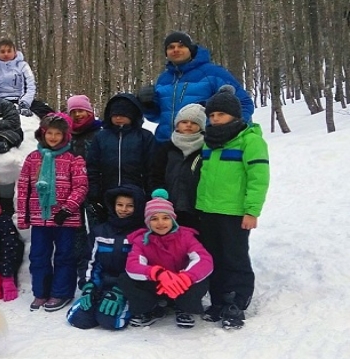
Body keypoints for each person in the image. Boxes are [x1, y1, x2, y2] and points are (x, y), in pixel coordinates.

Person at [197, 85, 270, 329]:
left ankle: (236, 301)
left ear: (235, 116)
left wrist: (252, 211)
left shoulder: (250, 141)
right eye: (212, 115)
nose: (215, 119)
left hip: (234, 212)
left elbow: (258, 178)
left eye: (221, 115)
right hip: (208, 210)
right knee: (213, 256)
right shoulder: (208, 142)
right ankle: (218, 300)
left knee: (234, 257)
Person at [16, 113, 87, 312]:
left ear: (65, 136)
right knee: (39, 256)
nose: (53, 137)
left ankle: (61, 292)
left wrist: (68, 208)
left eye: (58, 133)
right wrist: (24, 216)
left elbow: (81, 187)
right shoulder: (33, 158)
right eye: (50, 133)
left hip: (65, 218)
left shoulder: (74, 158)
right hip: (40, 218)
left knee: (65, 256)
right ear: (43, 133)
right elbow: (23, 187)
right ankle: (41, 291)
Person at [136, 31, 254, 143]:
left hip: (204, 145)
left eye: (181, 46)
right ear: (166, 53)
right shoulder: (163, 79)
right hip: (166, 146)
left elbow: (244, 103)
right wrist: (148, 107)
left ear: (190, 49)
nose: (176, 50)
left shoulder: (213, 73)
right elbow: (159, 117)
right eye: (171, 47)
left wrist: (227, 132)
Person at [120, 189, 213, 328]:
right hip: (156, 285)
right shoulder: (141, 240)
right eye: (154, 219)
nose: (160, 223)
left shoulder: (185, 236)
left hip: (181, 285)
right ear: (148, 222)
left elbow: (204, 260)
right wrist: (158, 274)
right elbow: (132, 265)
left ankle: (184, 308)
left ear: (172, 219)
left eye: (165, 218)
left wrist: (186, 277)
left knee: (201, 279)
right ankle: (150, 308)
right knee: (125, 278)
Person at [66, 184, 146, 330]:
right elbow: (89, 261)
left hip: (125, 288)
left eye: (129, 206)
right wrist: (89, 286)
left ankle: (126, 305)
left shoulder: (142, 234)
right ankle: (96, 300)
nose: (123, 209)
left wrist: (122, 290)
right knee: (79, 319)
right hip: (100, 285)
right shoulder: (100, 231)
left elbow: (141, 269)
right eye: (119, 205)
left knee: (109, 321)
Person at [86, 93, 154, 223]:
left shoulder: (145, 137)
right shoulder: (101, 137)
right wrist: (94, 192)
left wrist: (150, 192)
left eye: (123, 114)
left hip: (137, 194)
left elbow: (152, 168)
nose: (118, 118)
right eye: (115, 114)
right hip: (107, 193)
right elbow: (92, 167)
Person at [149, 103, 206, 230]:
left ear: (201, 126)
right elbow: (155, 174)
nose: (189, 125)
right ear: (177, 124)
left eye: (194, 122)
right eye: (184, 121)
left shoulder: (206, 149)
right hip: (168, 209)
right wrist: (159, 194)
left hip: (196, 210)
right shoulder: (166, 148)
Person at [66, 94, 104, 285]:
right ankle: (82, 272)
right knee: (77, 232)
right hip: (72, 191)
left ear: (89, 111)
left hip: (95, 189)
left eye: (81, 111)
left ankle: (98, 268)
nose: (78, 115)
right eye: (73, 112)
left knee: (97, 229)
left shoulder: (100, 132)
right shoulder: (67, 135)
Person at [0, 38, 52, 118]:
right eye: (2, 51)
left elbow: (30, 86)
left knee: (48, 112)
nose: (6, 54)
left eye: (9, 51)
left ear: (15, 52)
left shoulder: (23, 66)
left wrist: (25, 103)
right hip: (0, 100)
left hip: (21, 99)